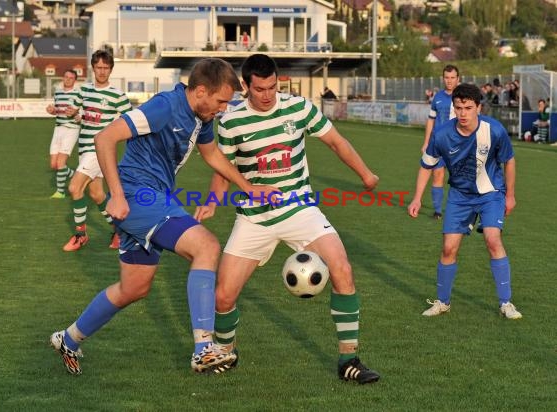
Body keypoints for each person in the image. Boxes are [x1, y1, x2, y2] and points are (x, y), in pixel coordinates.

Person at [50, 57, 279, 375]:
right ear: (200, 91)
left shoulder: (203, 117)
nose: (224, 108)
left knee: (133, 288)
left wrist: (248, 187)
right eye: (221, 101)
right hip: (137, 195)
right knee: (206, 247)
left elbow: (212, 154)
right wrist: (116, 195)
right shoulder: (164, 107)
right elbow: (104, 138)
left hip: (154, 197)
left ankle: (68, 338)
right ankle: (203, 349)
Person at [195, 54, 381, 384]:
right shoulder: (231, 121)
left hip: (299, 209)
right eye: (259, 89)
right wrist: (211, 202)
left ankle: (349, 359)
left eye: (272, 87)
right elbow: (223, 168)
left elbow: (336, 142)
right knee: (223, 296)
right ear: (245, 86)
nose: (267, 95)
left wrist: (365, 173)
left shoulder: (299, 108)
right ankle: (226, 351)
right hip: (254, 217)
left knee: (341, 267)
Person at [407, 83, 522, 320]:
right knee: (449, 248)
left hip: (491, 193)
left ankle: (506, 303)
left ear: (478, 107)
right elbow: (426, 165)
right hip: (460, 196)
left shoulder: (494, 130)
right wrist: (417, 198)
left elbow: (509, 160)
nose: (462, 113)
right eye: (458, 107)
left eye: (468, 108)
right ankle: (443, 302)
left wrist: (510, 195)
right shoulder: (441, 135)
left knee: (492, 239)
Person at [62, 50, 132, 252]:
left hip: (100, 150)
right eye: (98, 67)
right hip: (84, 149)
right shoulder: (83, 91)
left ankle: (80, 235)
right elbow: (78, 118)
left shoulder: (118, 96)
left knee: (75, 188)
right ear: (93, 68)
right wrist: (73, 115)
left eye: (106, 68)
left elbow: (131, 122)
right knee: (97, 195)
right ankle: (119, 232)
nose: (102, 71)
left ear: (111, 69)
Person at [421, 64, 460, 220]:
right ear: (443, 78)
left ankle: (461, 209)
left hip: (458, 144)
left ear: (458, 79)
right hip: (439, 144)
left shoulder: (463, 96)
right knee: (437, 175)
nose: (449, 81)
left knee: (459, 178)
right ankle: (438, 211)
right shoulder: (438, 97)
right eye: (446, 78)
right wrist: (426, 142)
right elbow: (431, 121)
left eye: (452, 78)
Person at [47, 69, 80, 199]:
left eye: (71, 78)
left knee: (61, 163)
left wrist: (77, 115)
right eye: (66, 77)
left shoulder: (78, 95)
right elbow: (57, 111)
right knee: (54, 165)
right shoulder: (58, 93)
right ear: (63, 78)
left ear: (74, 80)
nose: (68, 79)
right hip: (58, 128)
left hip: (71, 129)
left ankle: (60, 192)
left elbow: (80, 115)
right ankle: (79, 176)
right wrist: (52, 111)